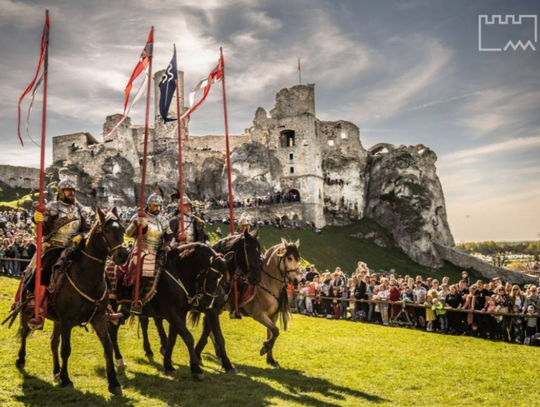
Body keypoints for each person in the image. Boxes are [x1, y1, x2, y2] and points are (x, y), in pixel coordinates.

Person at [15, 179, 92, 329]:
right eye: (68, 190)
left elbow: (87, 228)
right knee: (44, 271)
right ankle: (39, 307)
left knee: (95, 268)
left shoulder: (80, 208)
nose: (71, 193)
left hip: (75, 248)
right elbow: (42, 231)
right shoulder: (51, 207)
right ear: (60, 192)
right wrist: (36, 221)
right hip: (54, 246)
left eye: (73, 190)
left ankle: (104, 305)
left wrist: (81, 236)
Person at [123, 190, 174, 312]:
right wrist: (136, 223)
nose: (157, 208)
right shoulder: (140, 217)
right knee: (146, 267)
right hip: (142, 250)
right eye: (155, 205)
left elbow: (170, 236)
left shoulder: (163, 220)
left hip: (159, 251)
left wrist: (168, 245)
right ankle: (139, 298)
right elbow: (128, 233)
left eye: (159, 206)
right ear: (149, 205)